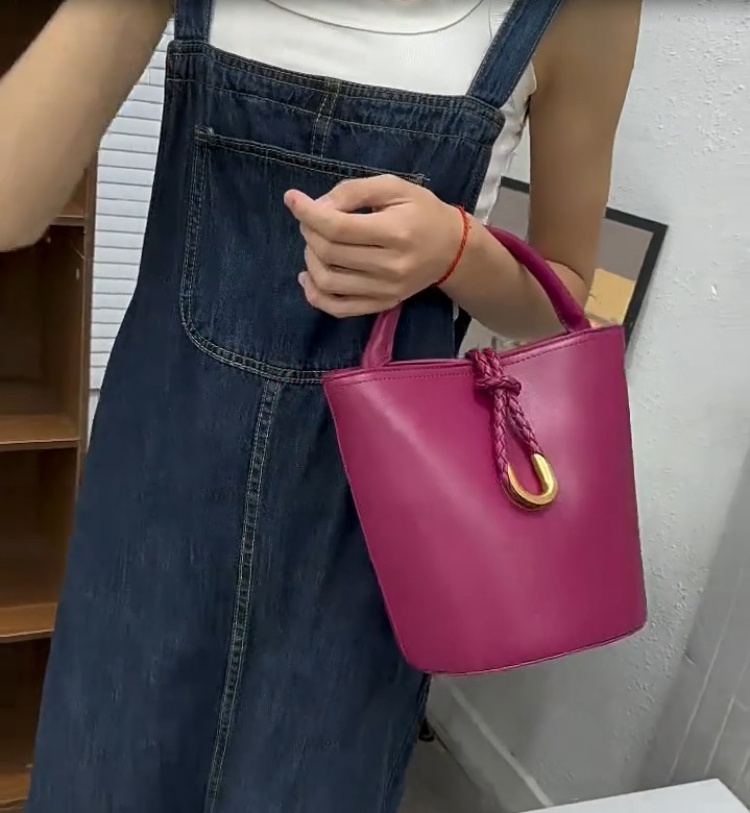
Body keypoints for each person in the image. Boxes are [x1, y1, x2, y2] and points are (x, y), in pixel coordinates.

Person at [0, 0, 640, 810]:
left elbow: (563, 297)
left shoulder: (582, 13)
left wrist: (457, 251)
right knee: (106, 774)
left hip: (370, 528)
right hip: (159, 485)